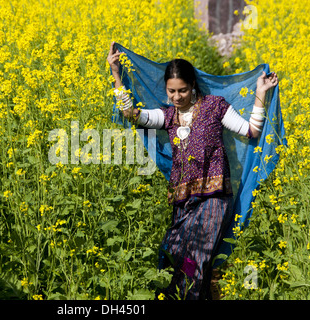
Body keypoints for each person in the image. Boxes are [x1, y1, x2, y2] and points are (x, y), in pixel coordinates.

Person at [106, 41, 278, 300]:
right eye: (172, 91)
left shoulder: (215, 107)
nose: (177, 97)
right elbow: (131, 114)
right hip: (183, 200)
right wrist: (116, 74)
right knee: (176, 251)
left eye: (183, 91)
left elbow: (251, 131)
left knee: (195, 256)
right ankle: (207, 291)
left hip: (214, 198)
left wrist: (260, 92)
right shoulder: (167, 116)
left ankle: (190, 296)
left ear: (193, 86)